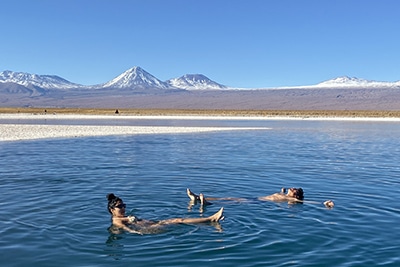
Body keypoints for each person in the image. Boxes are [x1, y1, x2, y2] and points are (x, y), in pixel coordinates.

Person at [107, 193, 224, 234]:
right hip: (150, 228)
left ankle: (210, 219)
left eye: (124, 206)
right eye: (120, 207)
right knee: (179, 220)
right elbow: (123, 228)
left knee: (178, 219)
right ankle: (210, 219)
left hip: (152, 224)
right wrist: (135, 232)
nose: (123, 208)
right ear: (112, 210)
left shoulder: (122, 217)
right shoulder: (116, 220)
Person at [186, 187, 333, 207]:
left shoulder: (294, 200)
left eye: (293, 190)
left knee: (232, 200)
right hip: (256, 199)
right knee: (230, 198)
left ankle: (206, 203)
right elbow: (280, 193)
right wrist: (281, 191)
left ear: (296, 194)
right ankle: (197, 199)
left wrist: (323, 203)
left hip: (256, 202)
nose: (290, 189)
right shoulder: (283, 194)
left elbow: (307, 202)